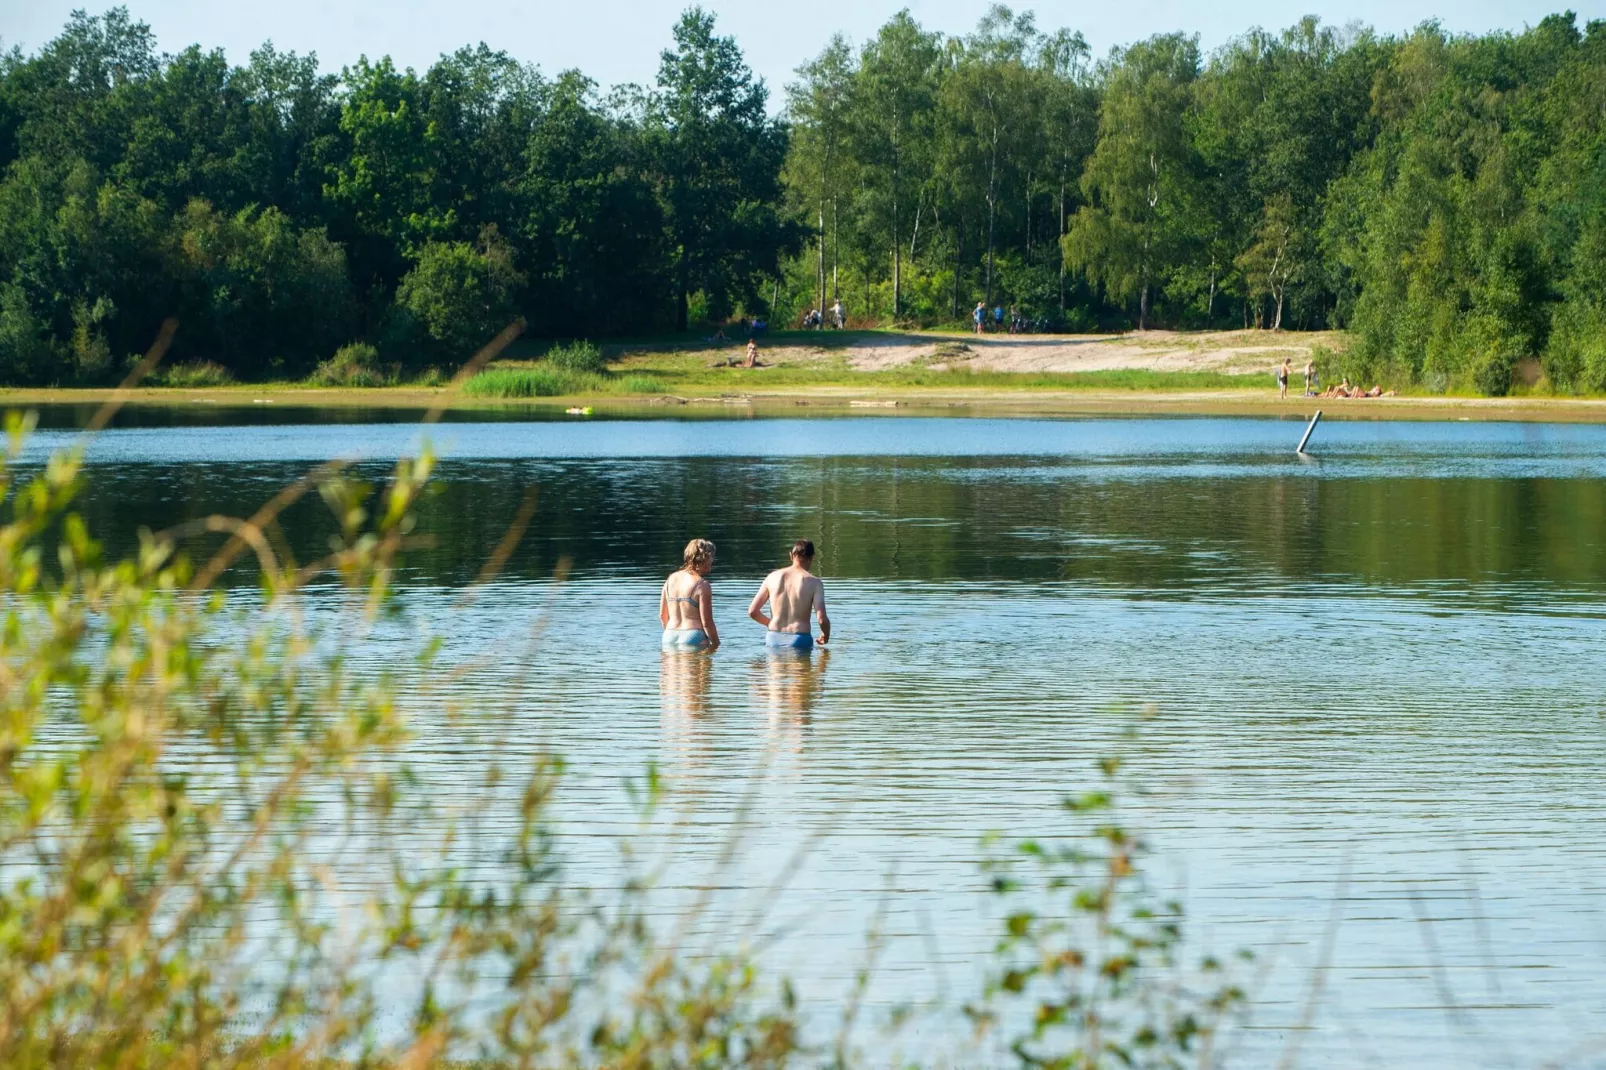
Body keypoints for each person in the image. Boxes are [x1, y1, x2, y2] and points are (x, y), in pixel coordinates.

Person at [748, 539, 830, 652]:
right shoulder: (815, 583)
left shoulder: (772, 577)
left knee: (775, 669)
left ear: (791, 555)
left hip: (774, 638)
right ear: (812, 557)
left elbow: (752, 611)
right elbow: (822, 620)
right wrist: (825, 635)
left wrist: (770, 623)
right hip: (800, 639)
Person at [661, 538, 719, 649]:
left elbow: (663, 616)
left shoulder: (670, 580)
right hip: (693, 635)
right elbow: (707, 623)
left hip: (669, 635)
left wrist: (672, 633)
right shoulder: (702, 585)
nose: (713, 561)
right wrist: (716, 644)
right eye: (712, 558)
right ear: (705, 558)